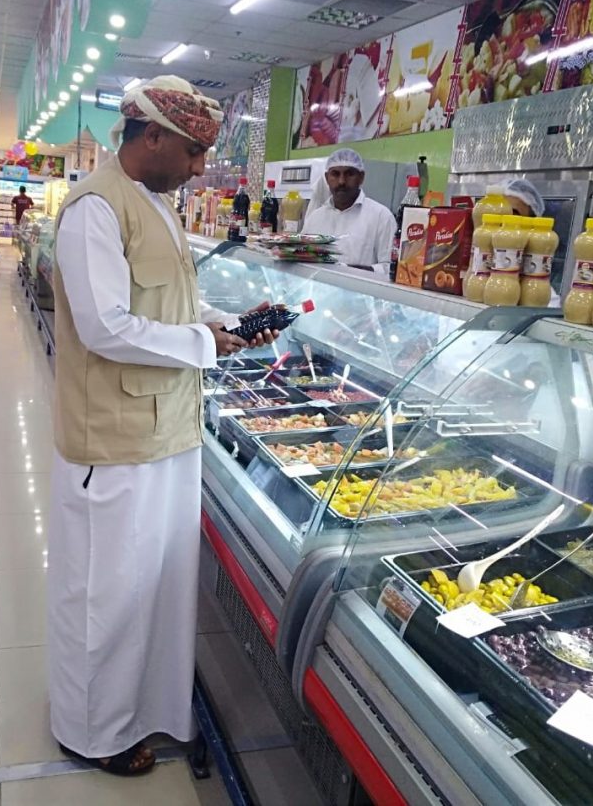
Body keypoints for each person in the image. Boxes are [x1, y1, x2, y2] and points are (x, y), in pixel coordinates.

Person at [48, 74, 276, 778]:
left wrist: (227, 324)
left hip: (167, 430)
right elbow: (105, 326)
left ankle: (145, 712)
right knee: (106, 596)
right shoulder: (95, 208)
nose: (201, 168)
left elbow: (169, 306)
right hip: (114, 441)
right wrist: (204, 344)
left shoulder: (158, 203)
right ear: (152, 136)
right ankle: (92, 732)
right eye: (194, 152)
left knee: (154, 589)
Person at [301, 148, 396, 269]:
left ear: (361, 177)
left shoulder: (381, 217)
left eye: (349, 174)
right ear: (327, 178)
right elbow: (301, 257)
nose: (341, 181)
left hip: (360, 282)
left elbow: (390, 268)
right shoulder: (315, 218)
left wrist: (348, 271)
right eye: (335, 174)